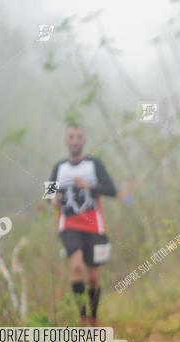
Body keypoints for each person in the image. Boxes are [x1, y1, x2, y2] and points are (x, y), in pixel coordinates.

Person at [49, 124, 117, 326]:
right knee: (77, 267)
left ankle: (93, 317)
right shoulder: (58, 167)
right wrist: (53, 200)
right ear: (66, 140)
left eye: (79, 136)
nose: (75, 140)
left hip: (94, 226)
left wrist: (90, 185)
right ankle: (82, 317)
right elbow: (49, 195)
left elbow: (112, 190)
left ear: (84, 140)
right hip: (68, 225)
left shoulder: (95, 165)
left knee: (94, 277)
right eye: (71, 136)